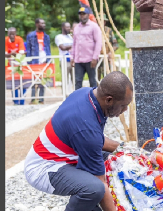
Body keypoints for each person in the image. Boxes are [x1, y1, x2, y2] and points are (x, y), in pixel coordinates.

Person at [24, 71, 133, 211]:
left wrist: (127, 150)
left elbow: (95, 139)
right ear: (109, 100)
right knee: (94, 189)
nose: (125, 109)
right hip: (44, 167)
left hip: (67, 155)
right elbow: (101, 183)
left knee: (116, 160)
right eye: (124, 105)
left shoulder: (88, 94)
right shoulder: (86, 129)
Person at [71, 7, 102, 90]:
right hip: (78, 60)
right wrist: (72, 57)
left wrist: (95, 57)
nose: (82, 16)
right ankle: (77, 100)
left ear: (88, 15)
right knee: (78, 81)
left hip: (90, 59)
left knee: (92, 81)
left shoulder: (94, 26)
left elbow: (98, 42)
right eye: (80, 14)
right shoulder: (77, 27)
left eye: (84, 14)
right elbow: (74, 43)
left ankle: (94, 100)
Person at [26, 18, 51, 104]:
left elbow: (48, 48)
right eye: (42, 23)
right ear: (37, 24)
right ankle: (33, 99)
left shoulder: (46, 36)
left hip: (44, 60)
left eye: (44, 23)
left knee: (43, 79)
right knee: (33, 80)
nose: (44, 25)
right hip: (34, 60)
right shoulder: (31, 36)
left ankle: (41, 99)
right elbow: (28, 49)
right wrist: (28, 60)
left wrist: (49, 59)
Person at [5, 27, 26, 105]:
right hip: (11, 65)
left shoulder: (19, 39)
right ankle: (15, 101)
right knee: (13, 82)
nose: (12, 35)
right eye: (10, 34)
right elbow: (5, 54)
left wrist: (11, 54)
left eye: (13, 34)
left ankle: (22, 100)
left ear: (15, 34)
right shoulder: (5, 40)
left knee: (23, 82)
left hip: (20, 64)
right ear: (8, 34)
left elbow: (21, 52)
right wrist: (13, 54)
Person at [97, 14, 119, 81]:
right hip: (96, 58)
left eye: (102, 21)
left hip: (107, 58)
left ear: (105, 22)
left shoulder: (109, 30)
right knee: (96, 78)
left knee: (108, 77)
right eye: (99, 21)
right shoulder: (94, 30)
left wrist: (111, 52)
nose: (101, 23)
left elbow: (116, 44)